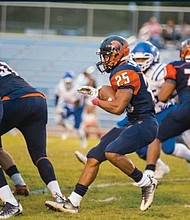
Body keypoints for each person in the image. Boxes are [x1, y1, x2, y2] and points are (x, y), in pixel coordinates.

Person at [45, 35, 158, 213]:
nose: (104, 59)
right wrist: (97, 92)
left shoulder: (124, 72)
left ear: (118, 54)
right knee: (94, 157)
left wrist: (95, 100)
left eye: (107, 55)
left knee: (112, 152)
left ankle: (146, 182)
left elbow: (118, 107)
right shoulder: (122, 70)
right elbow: (110, 93)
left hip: (144, 123)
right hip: (133, 121)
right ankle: (73, 203)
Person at [0, 60, 64, 218]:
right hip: (37, 100)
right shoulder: (3, 65)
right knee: (40, 155)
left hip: (15, 101)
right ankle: (59, 198)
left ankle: (11, 203)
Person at [130, 41, 190, 178]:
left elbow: (164, 96)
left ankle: (150, 173)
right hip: (154, 112)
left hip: (177, 110)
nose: (139, 62)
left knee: (157, 139)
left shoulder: (174, 66)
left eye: (143, 59)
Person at [54, 71, 87, 148]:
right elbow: (57, 96)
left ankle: (83, 140)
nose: (68, 84)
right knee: (58, 119)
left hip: (77, 107)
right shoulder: (60, 87)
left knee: (78, 128)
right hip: (68, 105)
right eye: (66, 82)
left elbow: (78, 102)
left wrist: (73, 103)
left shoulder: (77, 88)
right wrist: (57, 107)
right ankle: (68, 129)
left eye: (69, 82)